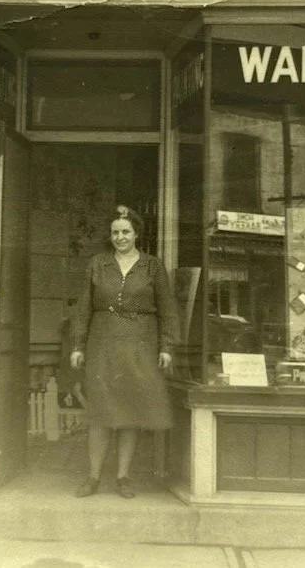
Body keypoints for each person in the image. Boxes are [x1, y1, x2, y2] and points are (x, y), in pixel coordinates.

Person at [69, 205, 178, 499]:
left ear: (137, 234)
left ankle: (123, 477)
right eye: (115, 232)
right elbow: (83, 309)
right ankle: (92, 477)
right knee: (101, 413)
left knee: (129, 412)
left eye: (126, 232)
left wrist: (167, 346)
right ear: (110, 235)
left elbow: (168, 310)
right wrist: (78, 346)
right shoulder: (97, 264)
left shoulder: (153, 266)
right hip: (102, 345)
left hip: (140, 345)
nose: (120, 237)